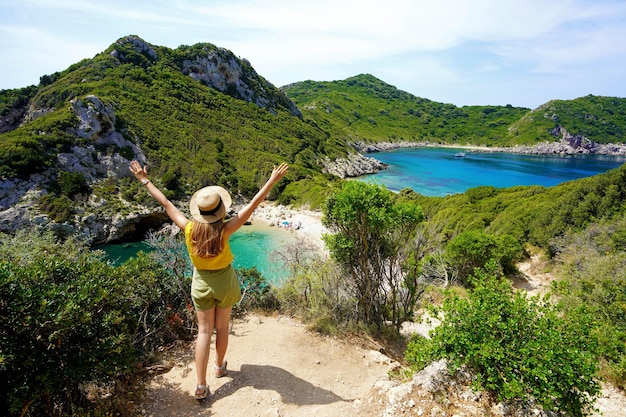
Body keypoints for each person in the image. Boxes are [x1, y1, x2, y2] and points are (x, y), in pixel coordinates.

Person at [129, 160, 289, 400]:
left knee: (204, 332)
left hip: (201, 283)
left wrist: (145, 179)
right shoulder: (226, 229)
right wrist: (272, 180)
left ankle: (201, 385)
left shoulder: (188, 228)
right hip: (224, 281)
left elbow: (165, 203)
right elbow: (254, 204)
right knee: (222, 327)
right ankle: (219, 366)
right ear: (219, 211)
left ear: (199, 212)